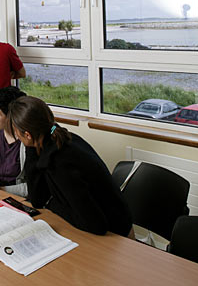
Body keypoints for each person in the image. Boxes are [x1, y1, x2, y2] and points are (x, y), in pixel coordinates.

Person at [8, 96, 132, 236]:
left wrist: (51, 204)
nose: (17, 137)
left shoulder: (60, 160)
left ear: (27, 134)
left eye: (17, 132)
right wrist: (30, 146)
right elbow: (37, 199)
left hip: (116, 234)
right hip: (104, 225)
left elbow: (96, 225)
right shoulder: (55, 139)